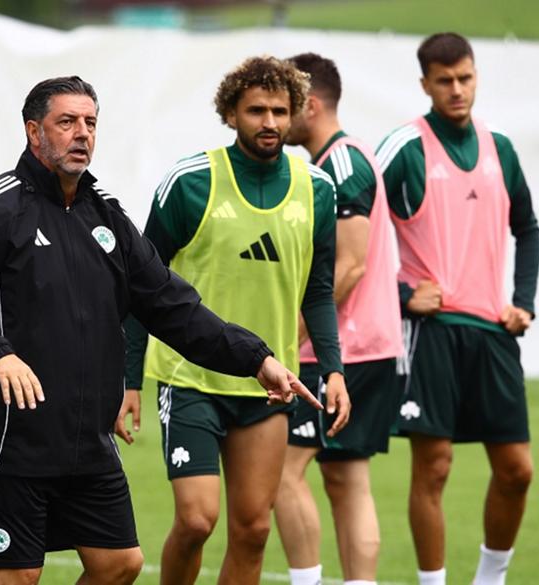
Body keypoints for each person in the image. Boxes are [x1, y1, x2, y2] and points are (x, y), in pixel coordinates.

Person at [0, 76, 317, 585]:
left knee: (119, 564)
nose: (82, 133)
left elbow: (173, 306)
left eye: (90, 123)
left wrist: (255, 359)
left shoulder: (106, 216)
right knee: (20, 575)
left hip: (88, 441)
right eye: (67, 122)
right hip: (10, 439)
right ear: (33, 132)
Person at [123, 56, 350, 585]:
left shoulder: (317, 189)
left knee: (253, 530)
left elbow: (318, 292)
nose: (269, 122)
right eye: (255, 111)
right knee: (197, 520)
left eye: (280, 111)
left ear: (295, 114)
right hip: (190, 378)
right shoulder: (190, 182)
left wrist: (334, 369)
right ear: (230, 114)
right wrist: (129, 379)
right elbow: (140, 287)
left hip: (270, 383)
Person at [376, 33, 539, 585]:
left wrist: (524, 303)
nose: (456, 89)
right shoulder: (404, 147)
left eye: (465, 78)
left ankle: (490, 579)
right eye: (444, 80)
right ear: (425, 83)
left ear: (476, 77)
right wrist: (402, 295)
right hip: (432, 332)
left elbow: (528, 229)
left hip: (493, 331)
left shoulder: (502, 148)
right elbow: (354, 228)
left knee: (517, 470)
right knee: (435, 467)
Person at [272, 52, 403, 585]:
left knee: (280, 471)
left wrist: (290, 337)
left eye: (286, 106)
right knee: (348, 479)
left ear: (312, 105)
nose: (277, 119)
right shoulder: (343, 159)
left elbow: (350, 266)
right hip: (370, 346)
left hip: (341, 351)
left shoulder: (341, 164)